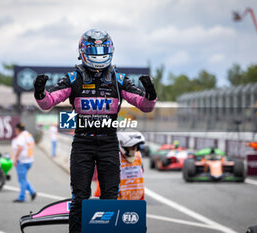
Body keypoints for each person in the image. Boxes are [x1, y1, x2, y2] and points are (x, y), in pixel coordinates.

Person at [34, 29, 157, 233]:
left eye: (103, 49)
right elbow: (48, 103)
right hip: (82, 143)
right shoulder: (73, 78)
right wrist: (39, 92)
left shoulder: (119, 79)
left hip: (109, 144)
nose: (99, 53)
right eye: (94, 49)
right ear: (83, 51)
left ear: (110, 51)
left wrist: (151, 94)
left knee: (110, 195)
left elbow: (145, 106)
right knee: (80, 197)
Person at [94, 130, 145, 200]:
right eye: (131, 147)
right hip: (117, 201)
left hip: (136, 199)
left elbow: (140, 176)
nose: (134, 149)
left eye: (135, 147)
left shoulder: (138, 155)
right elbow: (104, 180)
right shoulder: (112, 157)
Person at [11, 123, 37, 203]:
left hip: (22, 161)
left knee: (22, 180)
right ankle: (32, 192)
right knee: (23, 179)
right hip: (29, 160)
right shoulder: (28, 135)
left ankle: (21, 197)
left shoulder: (21, 137)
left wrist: (15, 158)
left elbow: (20, 147)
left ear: (18, 129)